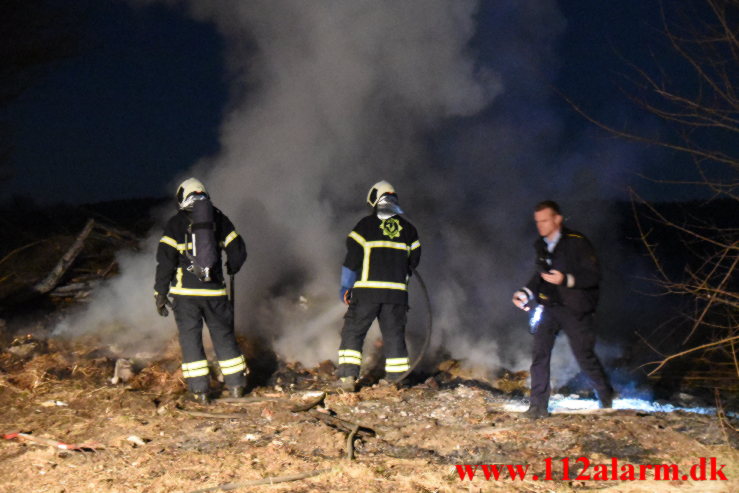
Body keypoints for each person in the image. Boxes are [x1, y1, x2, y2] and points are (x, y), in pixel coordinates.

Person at [512, 200, 613, 419]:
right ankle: (537, 407)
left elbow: (593, 276)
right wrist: (525, 292)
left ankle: (607, 397)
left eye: (545, 221)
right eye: (537, 222)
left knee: (584, 355)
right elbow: (540, 277)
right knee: (540, 354)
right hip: (549, 307)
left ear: (557, 219)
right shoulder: (540, 245)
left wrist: (566, 279)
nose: (540, 226)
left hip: (575, 309)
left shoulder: (577, 243)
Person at [154, 178, 248, 404]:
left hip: (185, 296)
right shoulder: (219, 218)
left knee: (190, 340)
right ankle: (236, 385)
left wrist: (160, 292)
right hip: (215, 292)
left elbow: (165, 262)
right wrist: (231, 267)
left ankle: (200, 392)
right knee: (224, 337)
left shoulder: (175, 223)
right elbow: (238, 251)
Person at [336, 180, 421, 391]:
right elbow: (414, 262)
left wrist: (346, 287)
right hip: (396, 296)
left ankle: (348, 378)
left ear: (374, 200)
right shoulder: (409, 230)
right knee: (394, 337)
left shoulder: (364, 226)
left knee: (353, 333)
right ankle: (397, 380)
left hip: (366, 294)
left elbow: (352, 260)